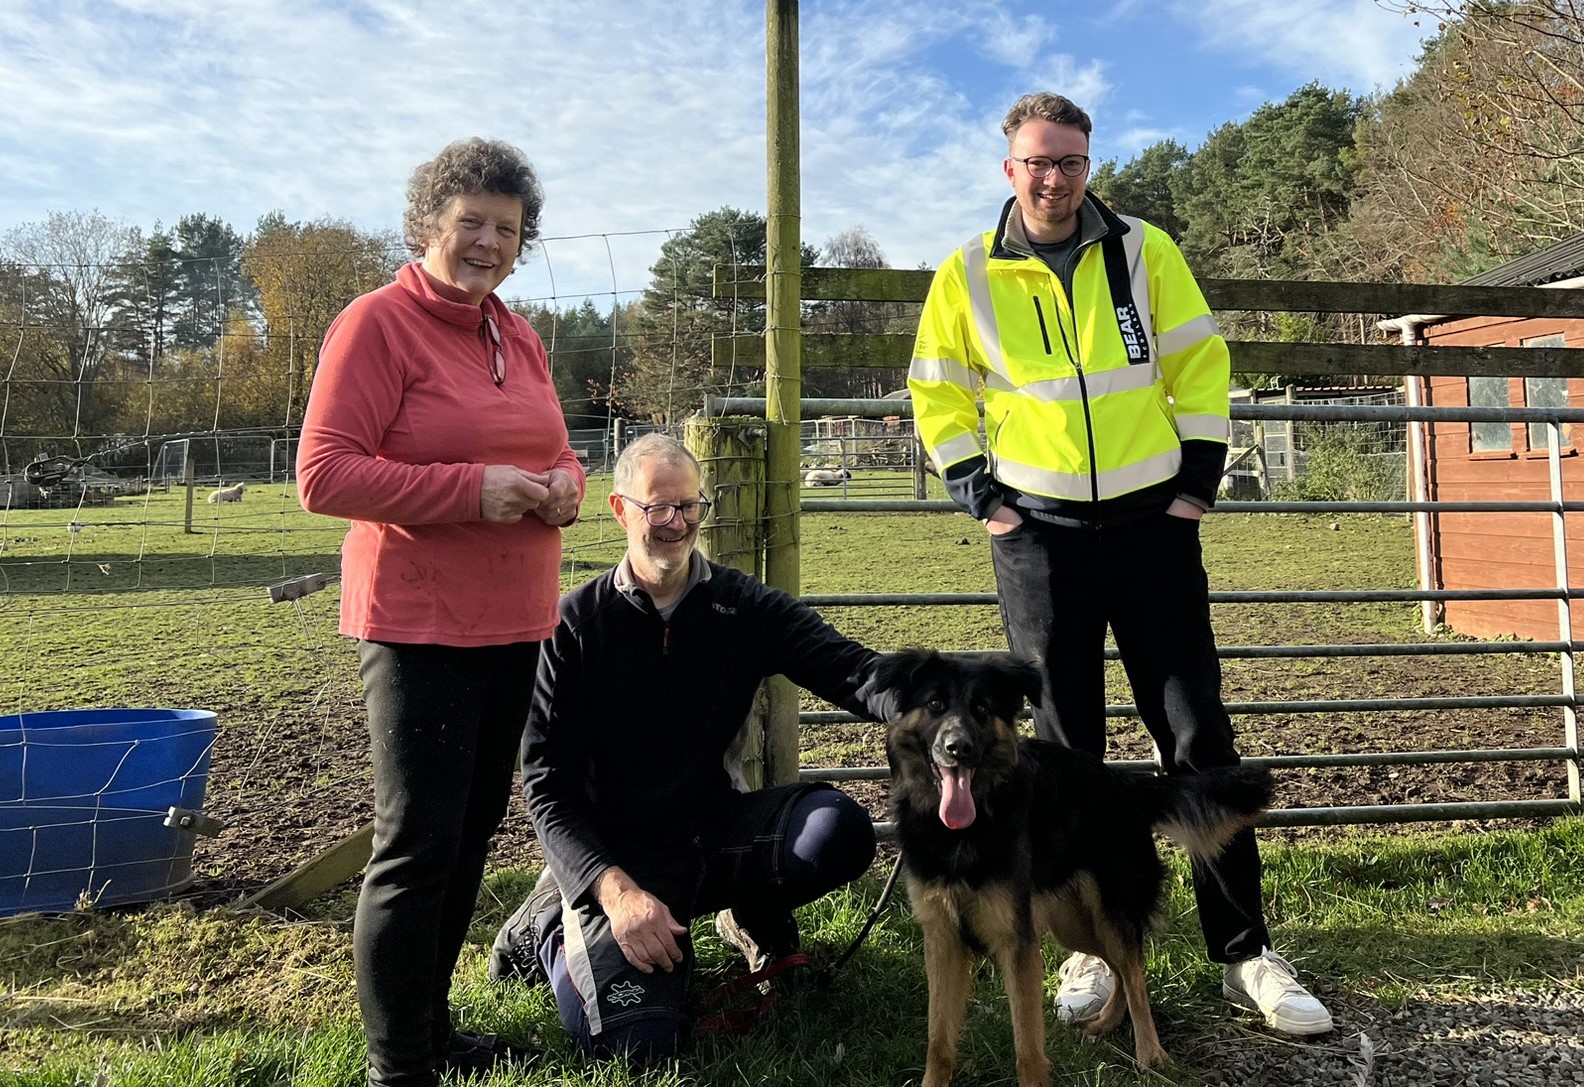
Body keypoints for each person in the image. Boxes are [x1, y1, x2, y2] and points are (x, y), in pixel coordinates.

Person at [907, 92, 1333, 1037]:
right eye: (1035, 162)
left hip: (1153, 530)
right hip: (1039, 541)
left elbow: (1200, 363)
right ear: (1007, 168)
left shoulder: (1146, 251)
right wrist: (984, 495)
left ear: (1089, 165)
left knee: (1197, 733)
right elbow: (938, 390)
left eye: (1069, 161)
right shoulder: (966, 273)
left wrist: (1196, 488)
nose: (1052, 178)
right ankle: (1086, 957)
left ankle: (1245, 951)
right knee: (1062, 753)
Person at [296, 137, 586, 1087]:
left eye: (507, 229)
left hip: (517, 616)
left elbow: (557, 445)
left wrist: (566, 485)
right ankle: (397, 1067)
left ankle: (431, 1027)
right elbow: (324, 472)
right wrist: (472, 490)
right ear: (429, 223)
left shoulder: (517, 331)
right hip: (418, 619)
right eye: (471, 223)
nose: (488, 243)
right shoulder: (376, 324)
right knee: (417, 844)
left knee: (467, 838)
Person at [489, 433, 895, 1064]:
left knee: (837, 831)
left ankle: (747, 917)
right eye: (657, 508)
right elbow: (545, 786)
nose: (675, 524)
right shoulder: (572, 625)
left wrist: (937, 711)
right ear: (621, 510)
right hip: (620, 857)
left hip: (714, 829)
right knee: (640, 1046)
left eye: (689, 506)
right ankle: (544, 921)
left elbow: (850, 669)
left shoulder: (742, 606)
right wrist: (615, 892)